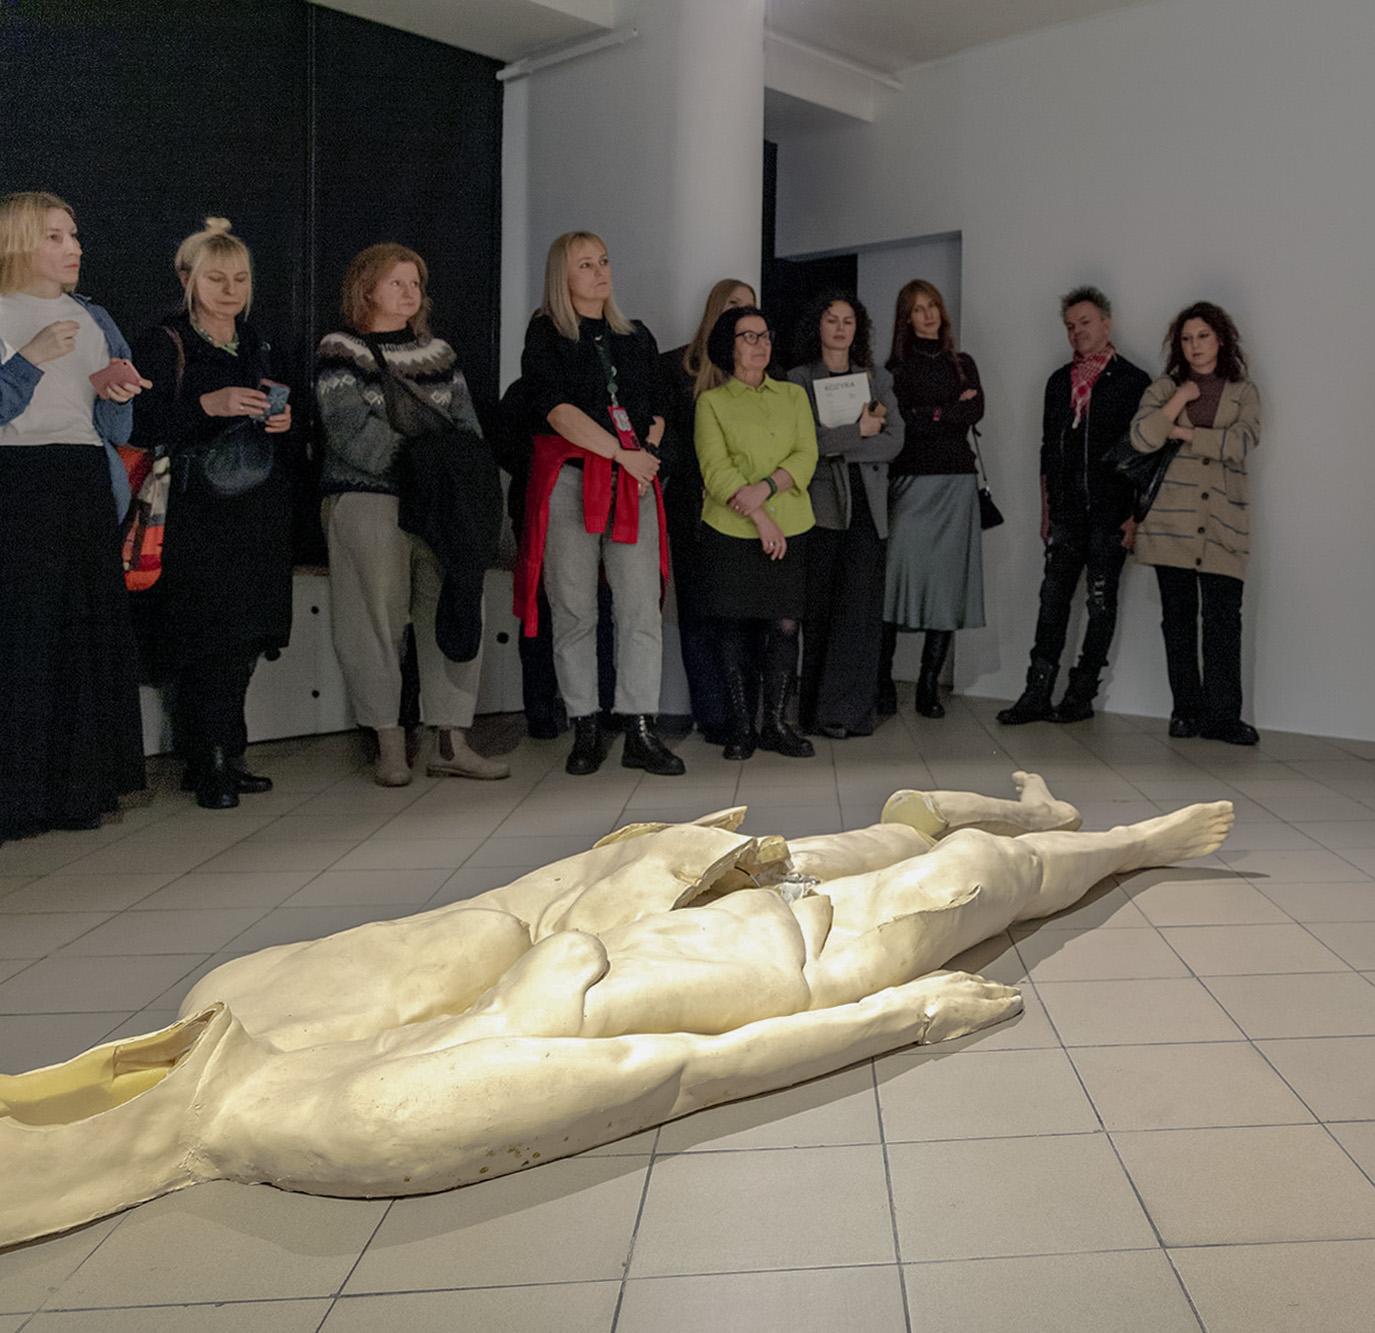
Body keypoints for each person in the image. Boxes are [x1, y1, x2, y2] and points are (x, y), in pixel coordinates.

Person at [0, 773, 1233, 1247]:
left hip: (661, 901)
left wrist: (630, 858)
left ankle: (1032, 808)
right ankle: (1130, 843)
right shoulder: (353, 1119)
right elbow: (679, 1072)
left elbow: (493, 914)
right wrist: (898, 1017)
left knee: (892, 831)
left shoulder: (232, 1005)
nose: (68, 1073)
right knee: (980, 879)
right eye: (35, 1114)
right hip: (774, 963)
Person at [318, 243, 509, 788]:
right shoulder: (341, 348)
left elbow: (467, 428)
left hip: (443, 503)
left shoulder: (440, 354)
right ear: (367, 289)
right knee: (373, 621)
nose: (409, 293)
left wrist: (445, 473)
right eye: (396, 282)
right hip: (370, 496)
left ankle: (452, 741)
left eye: (415, 283)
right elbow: (348, 429)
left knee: (451, 609)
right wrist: (423, 464)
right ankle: (389, 744)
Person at [130, 220, 295, 809]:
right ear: (187, 279)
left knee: (245, 637)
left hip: (256, 506)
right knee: (206, 637)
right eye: (216, 279)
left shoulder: (257, 341)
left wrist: (282, 419)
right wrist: (207, 403)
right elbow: (140, 423)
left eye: (240, 279)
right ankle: (208, 760)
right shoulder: (164, 341)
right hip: (196, 511)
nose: (230, 291)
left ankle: (229, 751)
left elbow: (282, 409)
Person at [0, 192, 147, 842]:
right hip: (17, 480)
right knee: (21, 637)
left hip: (83, 477)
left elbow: (114, 427)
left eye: (74, 234)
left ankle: (78, 788)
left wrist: (116, 389)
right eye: (55, 236)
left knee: (81, 635)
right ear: (17, 241)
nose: (73, 247)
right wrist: (27, 359)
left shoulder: (92, 316)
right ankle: (17, 798)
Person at [514, 231, 682, 779]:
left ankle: (639, 728)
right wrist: (619, 453)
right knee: (575, 610)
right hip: (573, 480)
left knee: (640, 609)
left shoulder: (636, 335)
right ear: (562, 276)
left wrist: (646, 453)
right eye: (585, 264)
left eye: (604, 261)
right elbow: (557, 411)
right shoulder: (546, 333)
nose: (600, 271)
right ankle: (584, 725)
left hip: (633, 482)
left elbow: (659, 405)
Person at [998, 286, 1150, 725]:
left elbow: (1146, 455)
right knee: (1052, 601)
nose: (1077, 331)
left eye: (1085, 322)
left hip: (1111, 513)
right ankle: (1036, 693)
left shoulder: (1134, 381)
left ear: (1106, 323)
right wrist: (1046, 511)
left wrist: (1136, 515)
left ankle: (1081, 695)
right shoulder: (1058, 382)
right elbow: (1048, 450)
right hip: (1066, 513)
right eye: (1070, 326)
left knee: (1100, 603)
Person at [1127, 302, 1263, 745]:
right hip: (1172, 521)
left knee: (1224, 621)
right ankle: (1185, 712)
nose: (1195, 346)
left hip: (1224, 521)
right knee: (1179, 620)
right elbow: (1142, 436)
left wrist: (1183, 432)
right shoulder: (1165, 388)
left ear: (1220, 339)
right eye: (1186, 339)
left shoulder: (1243, 392)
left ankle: (1224, 718)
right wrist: (1180, 400)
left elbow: (1241, 442)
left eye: (1203, 336)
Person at [692, 305, 819, 760]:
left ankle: (777, 725)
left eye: (765, 335)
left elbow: (806, 454)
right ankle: (742, 727)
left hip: (793, 525)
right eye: (749, 336)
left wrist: (765, 488)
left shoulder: (793, 395)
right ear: (729, 346)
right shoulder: (711, 402)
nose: (760, 344)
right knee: (734, 627)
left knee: (785, 625)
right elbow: (716, 469)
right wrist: (762, 518)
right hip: (731, 529)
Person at [788, 292, 903, 738]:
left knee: (861, 613)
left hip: (869, 509)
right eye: (832, 319)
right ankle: (816, 712)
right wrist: (858, 431)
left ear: (859, 329)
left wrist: (840, 444)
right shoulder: (799, 379)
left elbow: (893, 441)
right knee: (820, 612)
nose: (840, 328)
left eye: (848, 321)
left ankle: (851, 713)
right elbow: (806, 442)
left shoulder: (877, 378)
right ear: (817, 326)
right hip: (821, 509)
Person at [881, 280, 987, 719]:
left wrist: (930, 414)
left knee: (946, 587)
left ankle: (929, 684)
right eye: (918, 309)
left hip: (957, 482)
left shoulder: (963, 363)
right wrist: (946, 411)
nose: (928, 315)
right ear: (905, 319)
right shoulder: (893, 370)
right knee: (894, 581)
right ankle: (881, 680)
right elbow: (903, 424)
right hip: (910, 480)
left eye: (933, 306)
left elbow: (974, 411)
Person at [661, 278, 756, 744]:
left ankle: (746, 712)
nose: (741, 312)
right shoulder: (676, 366)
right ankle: (712, 715)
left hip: (747, 508)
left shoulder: (760, 372)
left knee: (742, 614)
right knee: (698, 615)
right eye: (733, 304)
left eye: (749, 306)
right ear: (715, 308)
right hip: (692, 508)